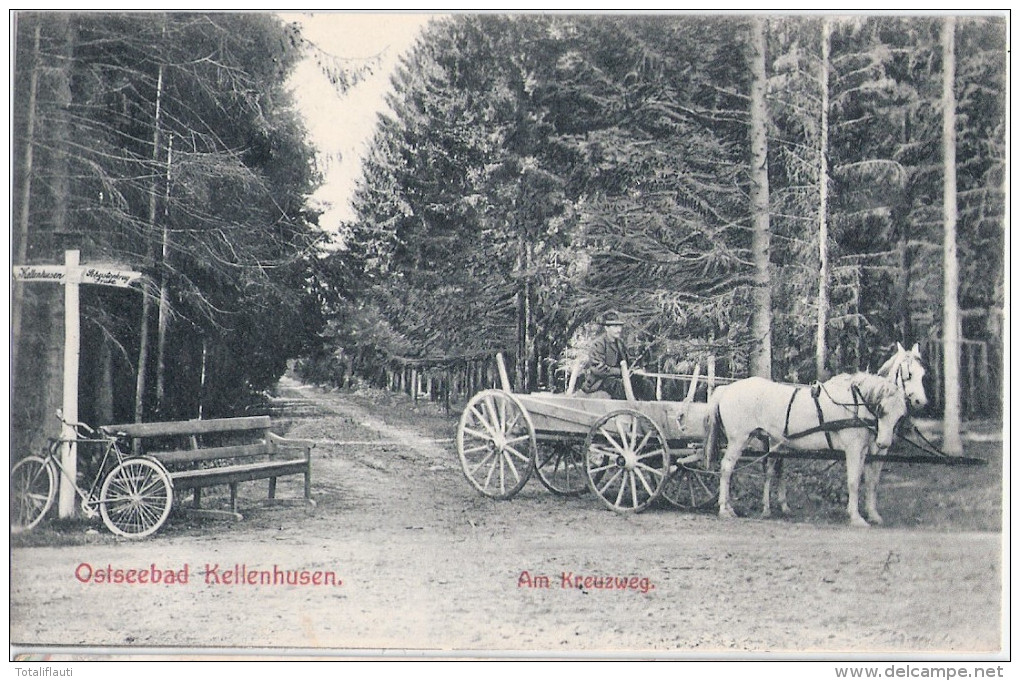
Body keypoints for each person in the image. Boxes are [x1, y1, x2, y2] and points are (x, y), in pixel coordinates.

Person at [581, 311, 651, 400]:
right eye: (615, 327)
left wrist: (636, 370)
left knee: (646, 384)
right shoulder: (598, 344)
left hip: (620, 377)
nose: (619, 330)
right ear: (606, 328)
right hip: (600, 381)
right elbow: (598, 369)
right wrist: (621, 372)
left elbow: (629, 360)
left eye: (619, 326)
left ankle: (651, 410)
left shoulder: (620, 343)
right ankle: (624, 410)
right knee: (619, 386)